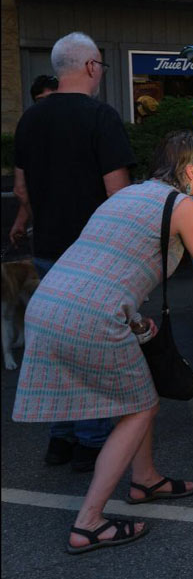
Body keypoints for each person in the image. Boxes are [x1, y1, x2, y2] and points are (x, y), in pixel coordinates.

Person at [13, 131, 193, 554]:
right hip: (91, 317)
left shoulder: (127, 196)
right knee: (140, 407)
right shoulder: (184, 206)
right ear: (190, 169)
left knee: (139, 394)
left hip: (51, 304)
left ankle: (146, 479)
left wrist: (134, 320)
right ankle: (89, 522)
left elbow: (109, 260)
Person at [11, 32, 135, 472]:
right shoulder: (101, 116)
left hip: (47, 250)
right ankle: (90, 443)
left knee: (54, 346)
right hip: (93, 254)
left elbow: (21, 188)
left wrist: (29, 221)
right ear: (89, 67)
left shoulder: (30, 120)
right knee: (92, 349)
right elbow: (117, 194)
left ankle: (59, 440)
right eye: (100, 65)